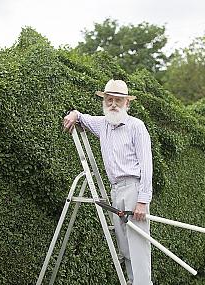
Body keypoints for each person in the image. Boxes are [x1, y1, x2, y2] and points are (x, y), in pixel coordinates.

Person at [63, 79, 153, 285]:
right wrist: (75, 114)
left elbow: (147, 166)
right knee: (124, 245)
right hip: (115, 191)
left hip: (133, 188)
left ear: (127, 104)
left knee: (138, 245)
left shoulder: (136, 127)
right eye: (109, 99)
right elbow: (82, 118)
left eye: (118, 100)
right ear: (104, 101)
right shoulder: (103, 124)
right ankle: (132, 282)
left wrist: (142, 201)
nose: (113, 104)